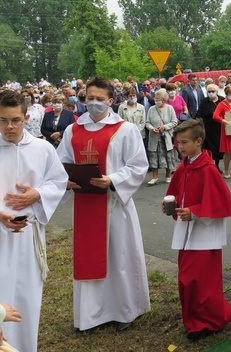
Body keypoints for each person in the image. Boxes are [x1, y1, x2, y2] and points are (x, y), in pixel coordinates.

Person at [57, 77, 151, 332]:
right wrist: (66, 181)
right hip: (86, 203)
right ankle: (90, 315)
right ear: (83, 99)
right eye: (90, 98)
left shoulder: (125, 129)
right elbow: (60, 164)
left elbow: (138, 166)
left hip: (114, 203)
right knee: (89, 258)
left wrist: (113, 179)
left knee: (120, 257)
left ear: (111, 101)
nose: (94, 103)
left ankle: (125, 310)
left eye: (100, 99)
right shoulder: (72, 131)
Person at [0, 90, 68, 352]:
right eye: (3, 120)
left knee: (27, 298)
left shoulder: (41, 149)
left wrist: (37, 194)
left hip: (28, 234)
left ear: (27, 117)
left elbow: (58, 181)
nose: (9, 126)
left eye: (15, 120)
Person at [164, 119, 231, 341]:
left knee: (199, 280)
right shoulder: (184, 167)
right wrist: (171, 204)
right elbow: (178, 194)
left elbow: (218, 203)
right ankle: (196, 319)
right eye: (178, 143)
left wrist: (194, 211)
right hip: (187, 232)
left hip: (204, 233)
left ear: (198, 141)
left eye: (184, 142)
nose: (180, 147)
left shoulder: (208, 169)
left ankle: (209, 320)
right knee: (187, 279)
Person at [146, 89, 178, 185]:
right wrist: (152, 128)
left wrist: (165, 127)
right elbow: (147, 122)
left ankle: (168, 176)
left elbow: (174, 121)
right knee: (154, 157)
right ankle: (154, 177)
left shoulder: (170, 108)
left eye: (158, 98)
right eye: (155, 98)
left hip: (166, 136)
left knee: (168, 156)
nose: (156, 100)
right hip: (154, 137)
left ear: (164, 99)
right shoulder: (151, 109)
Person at [196, 83, 223, 170]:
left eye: (213, 91)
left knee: (218, 147)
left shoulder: (221, 100)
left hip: (219, 127)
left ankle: (217, 165)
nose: (211, 93)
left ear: (216, 91)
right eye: (209, 91)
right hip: (208, 128)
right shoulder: (205, 101)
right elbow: (199, 113)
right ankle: (210, 165)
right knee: (209, 148)